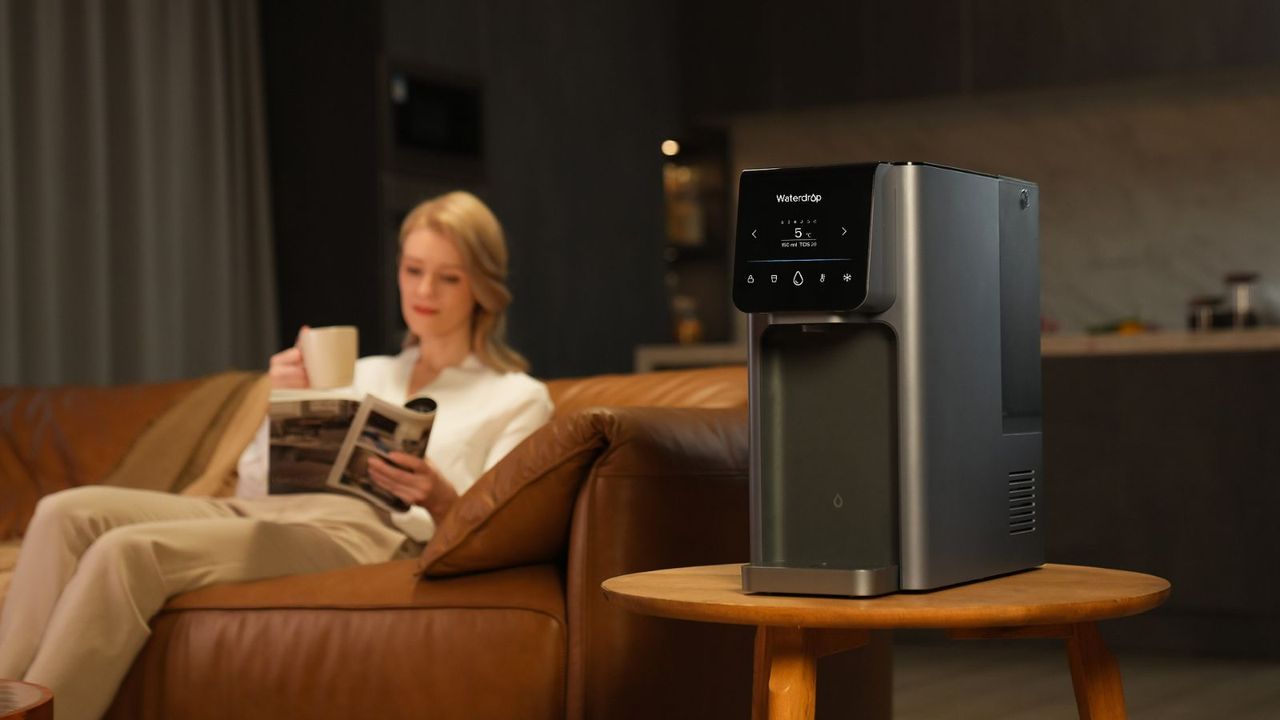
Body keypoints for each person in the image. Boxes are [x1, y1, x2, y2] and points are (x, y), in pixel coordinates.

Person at [0, 191, 553, 720]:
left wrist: (441, 497)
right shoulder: (361, 372)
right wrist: (281, 400)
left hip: (367, 535)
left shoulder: (516, 397)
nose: (424, 289)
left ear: (482, 286)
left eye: (448, 276)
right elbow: (255, 486)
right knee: (64, 512)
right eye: (412, 270)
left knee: (124, 553)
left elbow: (499, 531)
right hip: (272, 512)